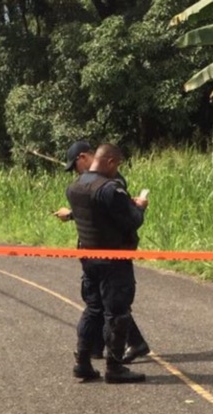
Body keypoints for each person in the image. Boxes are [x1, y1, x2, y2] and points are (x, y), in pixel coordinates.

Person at [55, 141, 150, 364]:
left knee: (96, 308)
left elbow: (95, 214)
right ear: (109, 162)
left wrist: (70, 215)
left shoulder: (75, 187)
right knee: (115, 310)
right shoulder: (109, 187)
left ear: (84, 158)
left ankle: (85, 359)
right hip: (112, 258)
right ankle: (115, 366)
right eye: (116, 165)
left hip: (89, 257)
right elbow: (131, 221)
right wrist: (141, 208)